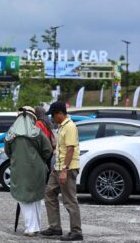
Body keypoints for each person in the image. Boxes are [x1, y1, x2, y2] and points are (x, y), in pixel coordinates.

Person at [4, 106, 51, 237]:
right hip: (37, 169)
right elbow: (47, 150)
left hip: (19, 169)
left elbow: (8, 152)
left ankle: (30, 228)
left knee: (23, 198)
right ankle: (35, 227)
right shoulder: (37, 132)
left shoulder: (10, 134)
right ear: (32, 117)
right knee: (36, 198)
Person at [41, 101, 83, 241]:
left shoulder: (70, 126)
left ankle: (76, 231)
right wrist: (57, 167)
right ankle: (55, 227)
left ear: (60, 113)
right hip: (58, 168)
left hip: (68, 168)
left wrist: (64, 169)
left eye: (53, 115)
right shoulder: (61, 127)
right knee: (49, 193)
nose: (52, 118)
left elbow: (70, 149)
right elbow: (62, 150)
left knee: (69, 200)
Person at [35, 106, 56, 171]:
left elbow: (40, 139)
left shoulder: (38, 123)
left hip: (43, 151)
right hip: (50, 150)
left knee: (44, 171)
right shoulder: (48, 123)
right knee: (48, 169)